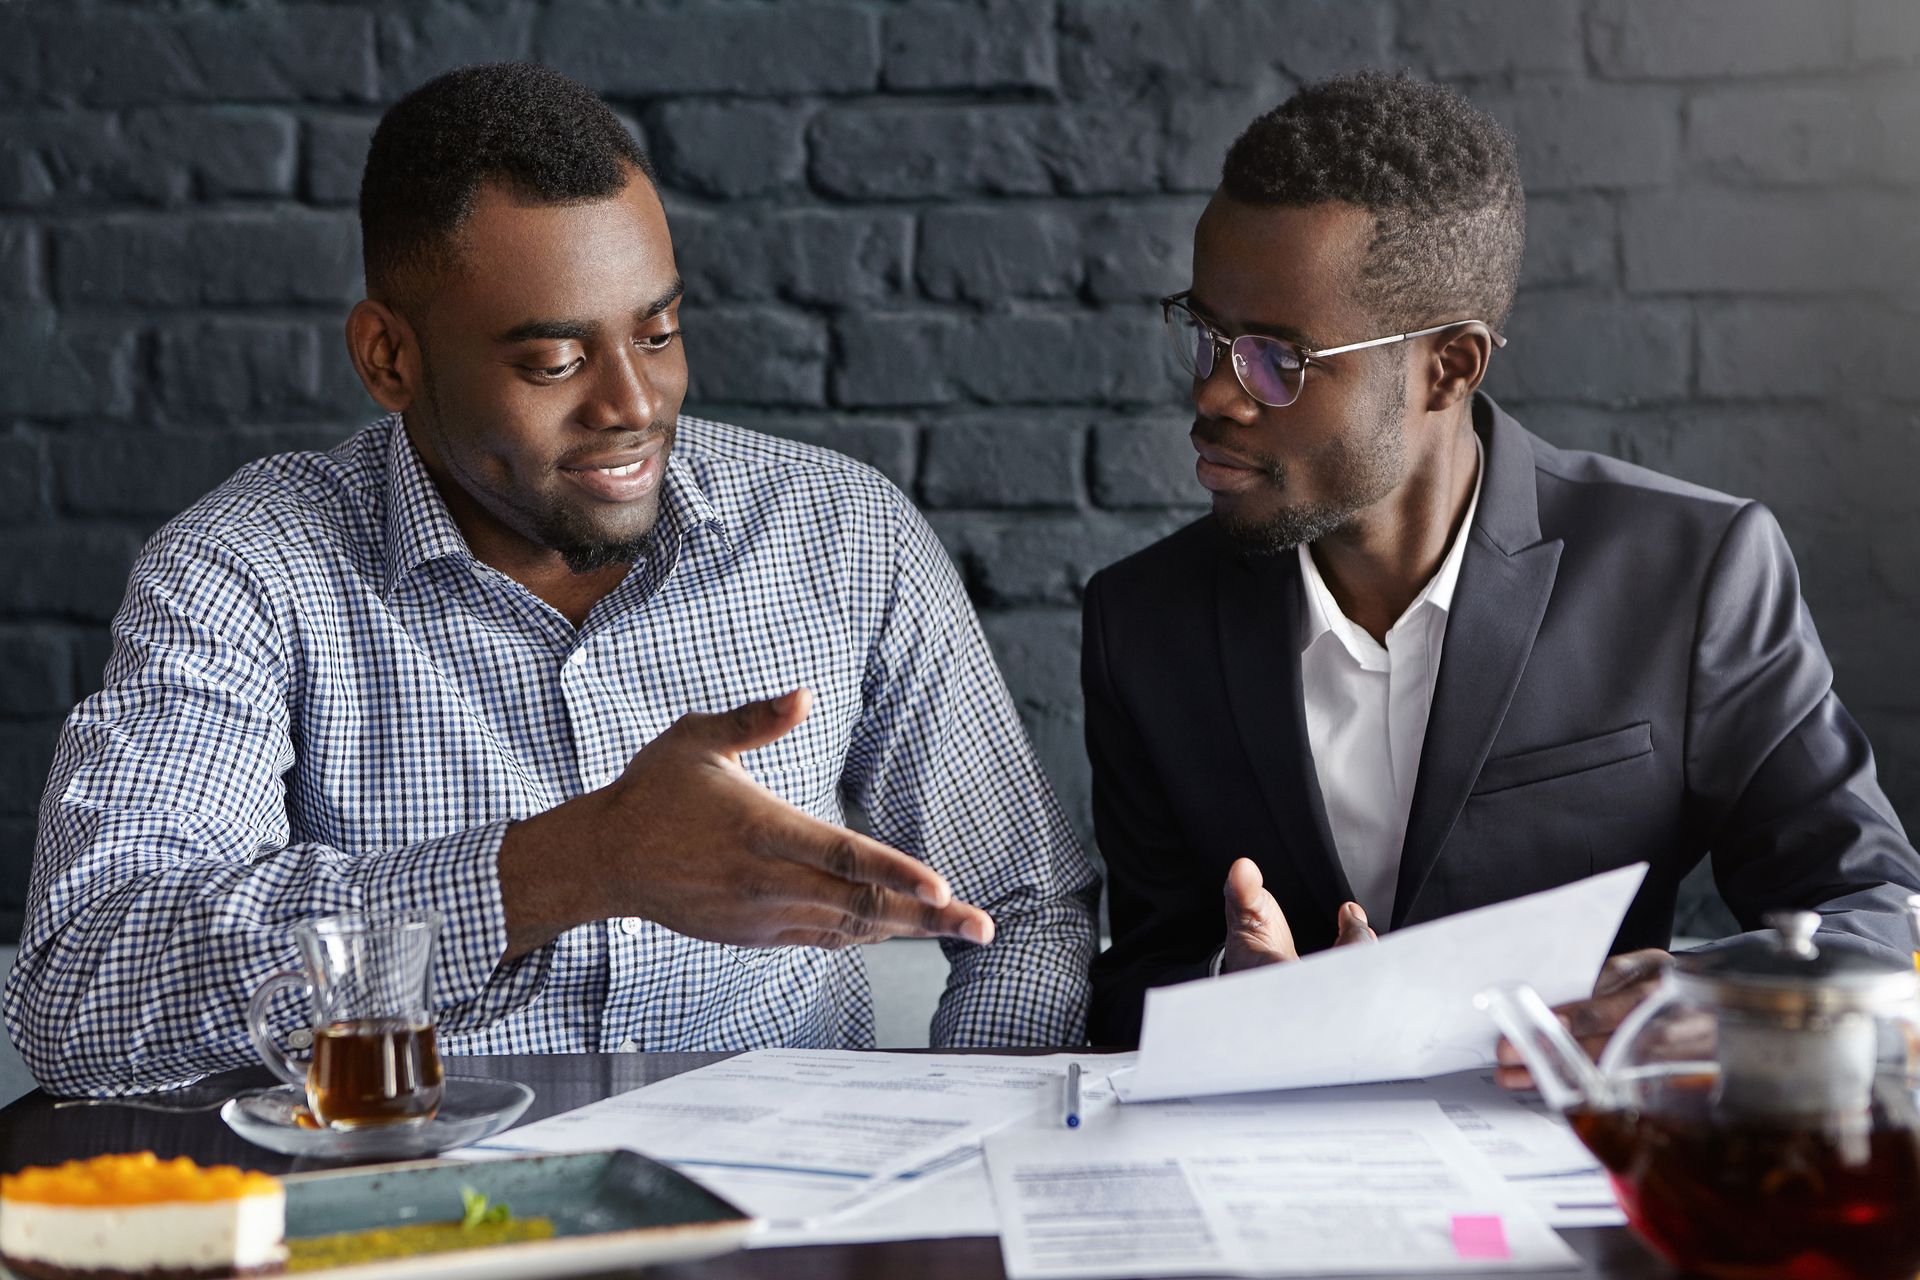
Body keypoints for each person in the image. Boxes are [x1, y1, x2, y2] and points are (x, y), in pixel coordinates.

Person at [6, 63, 1098, 1096]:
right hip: (419, 1220)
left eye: (658, 331)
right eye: (554, 362)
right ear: (390, 357)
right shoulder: (245, 571)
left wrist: (949, 1152)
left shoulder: (839, 533)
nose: (632, 401)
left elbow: (1027, 909)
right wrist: (574, 862)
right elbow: (83, 987)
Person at [1083, 72, 1920, 1076]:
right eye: (1207, 332)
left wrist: (1725, 995)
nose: (1214, 389)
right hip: (1274, 1187)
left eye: (1279, 357)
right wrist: (1234, 992)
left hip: (1572, 1167)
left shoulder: (1690, 574)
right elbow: (1138, 976)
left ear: (1450, 367)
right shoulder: (1144, 623)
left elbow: (1871, 906)